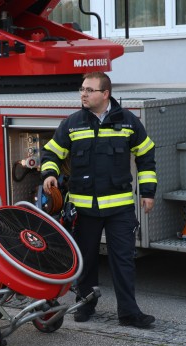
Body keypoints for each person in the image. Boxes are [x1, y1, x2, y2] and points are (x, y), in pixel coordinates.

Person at [41, 72, 157, 328]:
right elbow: (51, 152)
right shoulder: (72, 123)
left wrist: (148, 192)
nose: (83, 94)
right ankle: (85, 304)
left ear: (105, 94)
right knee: (86, 259)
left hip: (119, 209)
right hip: (84, 209)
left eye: (89, 90)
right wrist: (50, 173)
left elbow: (146, 155)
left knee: (123, 261)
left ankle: (129, 313)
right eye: (82, 89)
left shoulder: (128, 122)